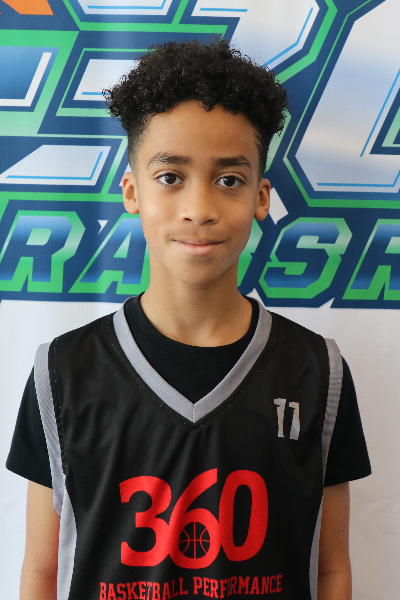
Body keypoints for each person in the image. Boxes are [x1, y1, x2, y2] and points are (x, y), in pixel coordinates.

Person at [6, 40, 371, 600]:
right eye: (171, 177)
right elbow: (41, 570)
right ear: (132, 191)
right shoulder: (61, 371)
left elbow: (330, 570)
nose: (199, 209)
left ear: (261, 197)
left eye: (228, 180)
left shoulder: (319, 372)